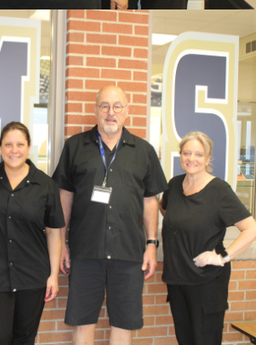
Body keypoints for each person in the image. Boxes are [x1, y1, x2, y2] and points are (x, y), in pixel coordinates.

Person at [52, 85, 168, 345]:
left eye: (117, 106)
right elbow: (65, 197)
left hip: (129, 253)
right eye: (104, 106)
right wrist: (61, 244)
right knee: (83, 323)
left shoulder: (144, 151)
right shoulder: (75, 146)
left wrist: (151, 244)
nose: (110, 112)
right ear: (95, 110)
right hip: (85, 251)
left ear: (127, 111)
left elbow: (150, 201)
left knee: (123, 324)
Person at [160, 132, 256, 345]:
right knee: (184, 339)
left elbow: (251, 228)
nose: (191, 158)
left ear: (208, 158)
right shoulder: (174, 185)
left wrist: (222, 257)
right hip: (177, 279)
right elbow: (166, 210)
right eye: (187, 153)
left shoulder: (219, 191)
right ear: (180, 155)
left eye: (199, 154)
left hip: (207, 281)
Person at [0, 122, 63, 345]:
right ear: (0, 148)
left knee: (25, 339)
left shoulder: (45, 184)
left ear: (29, 147)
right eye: (8, 144)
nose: (14, 150)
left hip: (32, 276)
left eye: (20, 144)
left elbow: (54, 233)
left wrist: (53, 275)